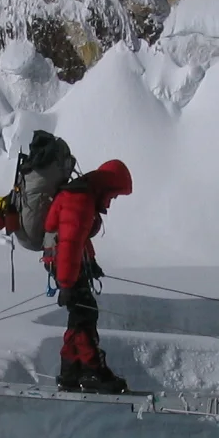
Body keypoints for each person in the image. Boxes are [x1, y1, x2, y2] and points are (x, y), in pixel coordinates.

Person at [44, 159, 133, 392]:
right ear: (107, 186)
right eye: (113, 196)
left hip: (66, 264)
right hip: (65, 265)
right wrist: (66, 284)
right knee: (85, 314)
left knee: (80, 314)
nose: (111, 202)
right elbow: (70, 243)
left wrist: (90, 262)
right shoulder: (80, 200)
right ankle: (93, 372)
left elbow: (78, 238)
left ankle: (71, 371)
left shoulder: (83, 195)